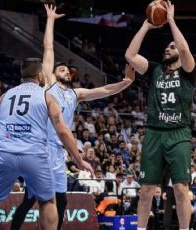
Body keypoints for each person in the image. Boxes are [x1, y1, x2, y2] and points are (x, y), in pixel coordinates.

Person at [10, 4, 135, 230]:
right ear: (53, 74)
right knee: (30, 199)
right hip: (41, 147)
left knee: (62, 200)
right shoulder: (49, 85)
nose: (66, 71)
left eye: (67, 70)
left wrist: (125, 83)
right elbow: (48, 48)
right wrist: (50, 20)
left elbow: (105, 91)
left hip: (58, 152)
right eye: (62, 70)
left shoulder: (76, 94)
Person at [0, 58, 91, 230]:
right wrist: (79, 159)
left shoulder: (4, 96)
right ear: (39, 75)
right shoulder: (47, 96)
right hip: (34, 155)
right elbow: (62, 130)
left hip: (4, 154)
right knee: (48, 202)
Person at [124, 1, 196, 229]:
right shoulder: (155, 70)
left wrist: (171, 20)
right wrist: (146, 26)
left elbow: (184, 50)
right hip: (154, 133)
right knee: (146, 190)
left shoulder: (188, 73)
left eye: (171, 47)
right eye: (167, 46)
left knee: (180, 188)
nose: (168, 48)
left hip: (179, 134)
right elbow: (130, 55)